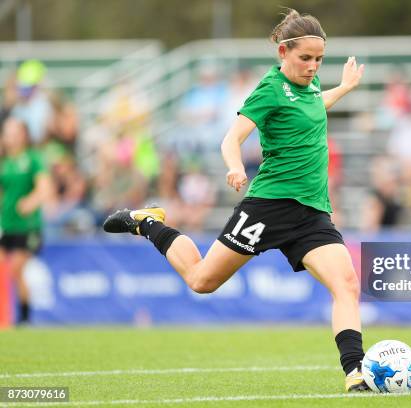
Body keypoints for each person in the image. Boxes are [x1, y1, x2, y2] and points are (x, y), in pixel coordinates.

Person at [104, 9, 369, 392]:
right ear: (283, 52)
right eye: (305, 58)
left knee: (346, 284)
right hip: (268, 207)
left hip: (312, 213)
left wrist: (343, 88)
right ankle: (147, 222)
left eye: (318, 60)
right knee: (201, 280)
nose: (313, 67)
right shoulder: (270, 89)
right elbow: (231, 138)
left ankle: (355, 373)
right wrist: (234, 168)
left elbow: (312, 107)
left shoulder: (309, 88)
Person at [0, 117, 52, 324]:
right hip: (6, 224)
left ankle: (23, 318)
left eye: (12, 132)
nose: (8, 137)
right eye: (6, 133)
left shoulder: (33, 159)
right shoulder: (5, 162)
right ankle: (8, 317)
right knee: (5, 271)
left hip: (28, 227)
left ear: (23, 135)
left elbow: (45, 188)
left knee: (15, 270)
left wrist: (31, 201)